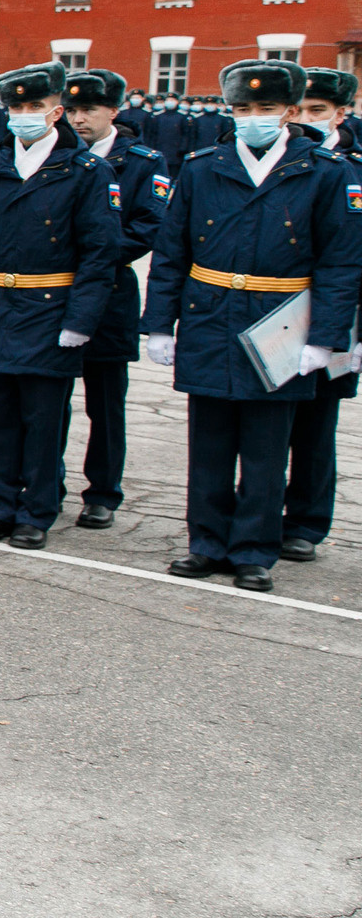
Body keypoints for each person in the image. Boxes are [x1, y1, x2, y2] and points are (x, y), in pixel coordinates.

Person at [141, 60, 362, 590]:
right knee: (209, 445)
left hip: (280, 322)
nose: (253, 117)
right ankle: (206, 542)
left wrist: (325, 339)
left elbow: (340, 263)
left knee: (266, 449)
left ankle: (254, 550)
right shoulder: (202, 166)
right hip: (210, 317)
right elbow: (171, 252)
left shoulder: (324, 171)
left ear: (290, 111)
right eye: (242, 108)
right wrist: (160, 324)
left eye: (266, 108)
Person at [0, 64, 121, 550]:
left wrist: (81, 319)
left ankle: (36, 511)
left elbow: (99, 253)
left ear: (56, 112)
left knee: (42, 421)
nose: (24, 114)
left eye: (34, 106)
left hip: (49, 307)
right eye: (16, 107)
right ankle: (0, 505)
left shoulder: (86, 171)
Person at [58, 69, 170, 529]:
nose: (79, 119)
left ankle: (103, 492)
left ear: (114, 112)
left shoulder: (142, 163)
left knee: (105, 404)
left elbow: (147, 227)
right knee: (48, 399)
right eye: (72, 110)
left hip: (109, 294)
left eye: (89, 110)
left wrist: (90, 254)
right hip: (53, 291)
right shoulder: (56, 153)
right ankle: (45, 483)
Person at [283, 69, 362, 560]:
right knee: (266, 423)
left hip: (337, 313)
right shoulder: (283, 159)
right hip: (276, 307)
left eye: (320, 111)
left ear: (340, 114)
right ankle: (260, 512)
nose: (309, 118)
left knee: (317, 425)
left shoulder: (354, 169)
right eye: (303, 109)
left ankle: (306, 523)